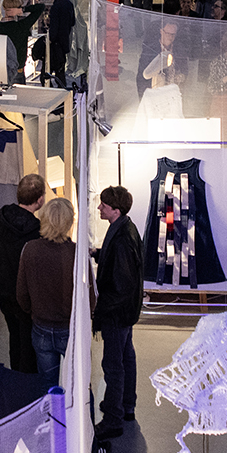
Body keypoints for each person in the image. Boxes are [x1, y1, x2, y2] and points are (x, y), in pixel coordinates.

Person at [93, 185, 142, 439]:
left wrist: (99, 310)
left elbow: (121, 284)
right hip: (126, 312)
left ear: (115, 209)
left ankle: (112, 419)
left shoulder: (122, 237)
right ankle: (127, 407)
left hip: (117, 313)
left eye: (103, 205)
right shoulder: (126, 228)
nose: (99, 207)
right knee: (126, 357)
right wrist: (99, 254)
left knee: (113, 365)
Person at [0, 174, 45, 373]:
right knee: (28, 344)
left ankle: (16, 376)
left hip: (3, 294)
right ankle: (27, 387)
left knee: (15, 337)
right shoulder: (37, 234)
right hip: (27, 301)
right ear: (40, 200)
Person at [17, 196, 76, 387]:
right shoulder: (76, 253)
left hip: (41, 326)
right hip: (69, 328)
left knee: (47, 386)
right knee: (77, 383)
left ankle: (50, 417)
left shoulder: (30, 249)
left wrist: (34, 312)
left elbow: (22, 293)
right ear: (68, 222)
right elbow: (89, 296)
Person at [0, 0, 46, 77]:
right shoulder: (22, 26)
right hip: (17, 69)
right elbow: (41, 7)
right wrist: (23, 9)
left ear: (4, 8)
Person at [137, 19, 184, 97]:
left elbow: (184, 70)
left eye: (173, 34)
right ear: (161, 31)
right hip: (154, 93)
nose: (170, 36)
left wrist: (181, 77)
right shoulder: (150, 50)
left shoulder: (179, 50)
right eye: (167, 33)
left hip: (172, 93)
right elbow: (142, 77)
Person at [46, 0, 75, 85]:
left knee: (54, 71)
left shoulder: (55, 7)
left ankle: (59, 94)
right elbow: (73, 22)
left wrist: (50, 39)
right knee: (60, 70)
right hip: (65, 40)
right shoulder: (69, 4)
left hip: (56, 43)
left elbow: (54, 28)